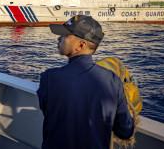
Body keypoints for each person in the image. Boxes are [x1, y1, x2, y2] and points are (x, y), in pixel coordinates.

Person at [37, 15, 134, 149]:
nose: (59, 38)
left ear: (80, 45)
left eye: (65, 36)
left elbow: (49, 110)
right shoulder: (113, 81)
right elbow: (125, 131)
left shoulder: (49, 78)